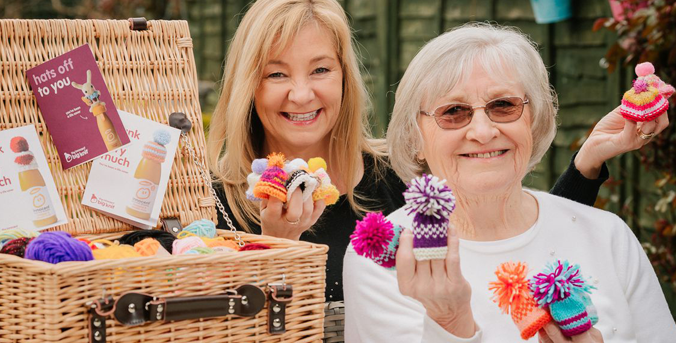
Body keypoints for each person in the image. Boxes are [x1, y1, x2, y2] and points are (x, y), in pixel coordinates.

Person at [206, 0, 667, 303]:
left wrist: (587, 164)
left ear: (345, 77)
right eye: (277, 74)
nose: (302, 94)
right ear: (248, 85)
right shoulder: (213, 207)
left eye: (321, 69)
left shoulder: (403, 179)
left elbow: (514, 236)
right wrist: (276, 246)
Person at [343, 23, 676, 342]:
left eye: (503, 105)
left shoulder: (608, 235)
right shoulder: (380, 263)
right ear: (414, 137)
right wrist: (450, 322)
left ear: (534, 120)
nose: (483, 131)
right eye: (454, 111)